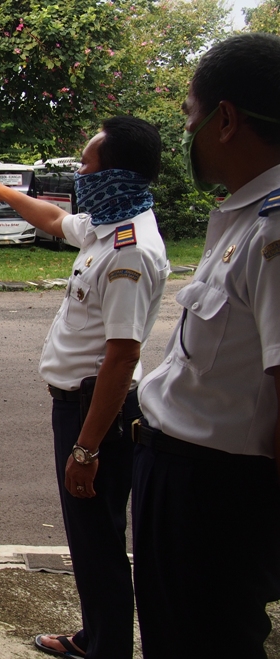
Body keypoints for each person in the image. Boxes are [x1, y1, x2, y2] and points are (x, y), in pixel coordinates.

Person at [0, 116, 168, 659]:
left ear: (117, 172)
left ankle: (104, 648)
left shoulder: (129, 250)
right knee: (92, 538)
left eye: (87, 163)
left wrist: (87, 447)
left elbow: (122, 355)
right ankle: (98, 636)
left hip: (93, 411)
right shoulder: (111, 224)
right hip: (82, 404)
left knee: (97, 540)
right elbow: (56, 219)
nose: (80, 172)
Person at [132, 33, 280, 659]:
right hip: (188, 483)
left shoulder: (273, 234)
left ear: (225, 119)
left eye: (189, 116)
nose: (185, 133)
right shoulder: (245, 220)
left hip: (218, 497)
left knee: (206, 640)